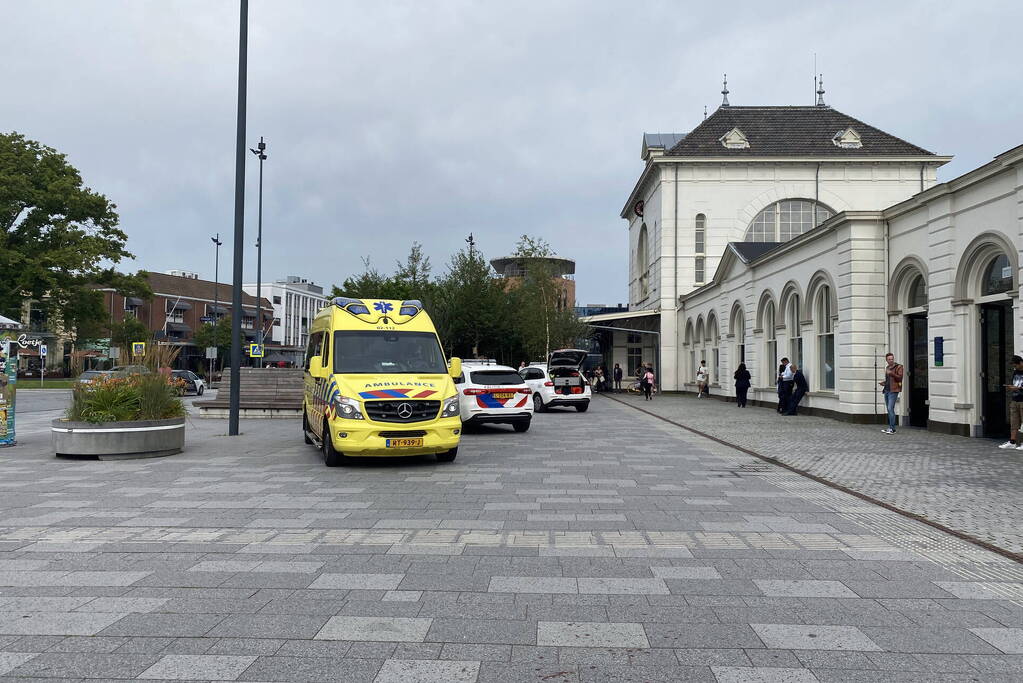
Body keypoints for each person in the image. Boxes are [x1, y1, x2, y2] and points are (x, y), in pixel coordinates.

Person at [999, 355, 1023, 450]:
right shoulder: (1015, 372)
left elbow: (1019, 386)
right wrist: (1011, 387)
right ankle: (1012, 442)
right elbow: (1015, 384)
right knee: (1014, 422)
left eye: (1015, 365)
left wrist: (1017, 388)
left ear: (1021, 363)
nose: (1015, 367)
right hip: (1015, 400)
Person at [879, 352, 904, 434]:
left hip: (894, 391)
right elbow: (889, 380)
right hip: (887, 390)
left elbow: (900, 378)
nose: (891, 360)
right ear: (886, 360)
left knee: (890, 408)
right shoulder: (887, 367)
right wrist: (884, 383)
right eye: (889, 359)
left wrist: (891, 373)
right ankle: (890, 427)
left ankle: (892, 429)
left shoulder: (899, 367)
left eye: (892, 359)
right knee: (889, 409)